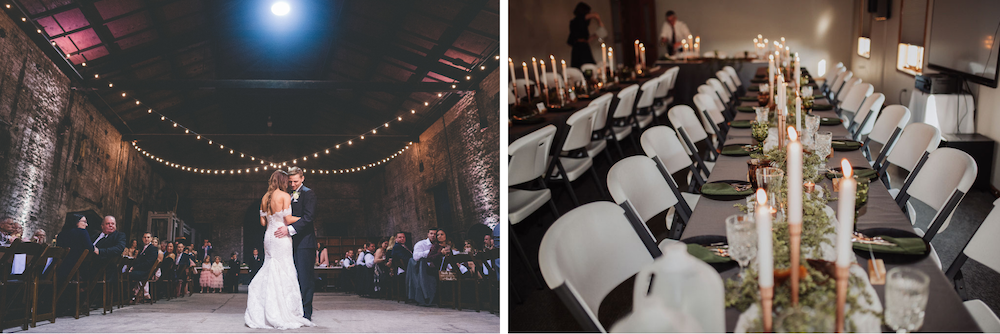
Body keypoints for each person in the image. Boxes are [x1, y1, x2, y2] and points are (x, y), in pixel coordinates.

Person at [244, 169, 315, 329]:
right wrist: (305, 219)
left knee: (270, 268)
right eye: (288, 181)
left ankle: (265, 308)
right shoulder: (284, 196)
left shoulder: (265, 197)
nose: (290, 184)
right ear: (283, 181)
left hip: (269, 236)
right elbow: (288, 219)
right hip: (281, 236)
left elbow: (262, 222)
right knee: (284, 270)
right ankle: (283, 308)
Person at [271, 166, 317, 320]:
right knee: (292, 276)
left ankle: (306, 313)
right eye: (290, 182)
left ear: (302, 178)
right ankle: (292, 310)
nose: (292, 185)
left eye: (295, 181)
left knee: (305, 278)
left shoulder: (308, 194)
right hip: (288, 243)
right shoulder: (287, 194)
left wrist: (289, 229)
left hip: (305, 242)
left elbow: (309, 218)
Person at [56, 213, 93, 279]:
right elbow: (90, 248)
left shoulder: (60, 234)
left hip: (59, 269)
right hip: (75, 271)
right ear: (76, 222)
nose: (86, 225)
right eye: (84, 222)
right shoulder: (82, 232)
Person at [567, 2, 603, 69]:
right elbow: (595, 15)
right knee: (586, 66)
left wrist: (594, 36)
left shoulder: (577, 23)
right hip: (580, 48)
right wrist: (599, 21)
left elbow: (583, 38)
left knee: (585, 66)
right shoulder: (578, 20)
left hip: (581, 47)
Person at [407, 228, 437, 305]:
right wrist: (431, 252)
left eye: (435, 234)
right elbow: (416, 257)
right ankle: (426, 296)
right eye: (431, 233)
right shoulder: (421, 244)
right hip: (421, 269)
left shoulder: (439, 244)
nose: (433, 235)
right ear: (428, 234)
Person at [91, 216, 127, 281]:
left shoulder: (119, 235)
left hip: (103, 267)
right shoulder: (95, 234)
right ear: (102, 226)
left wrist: (99, 251)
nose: (111, 225)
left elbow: (119, 249)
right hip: (88, 262)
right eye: (108, 223)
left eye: (113, 224)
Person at [129, 232, 158, 303]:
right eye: (144, 237)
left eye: (148, 237)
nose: (146, 239)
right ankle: (136, 294)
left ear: (151, 239)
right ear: (142, 239)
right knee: (125, 272)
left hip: (146, 271)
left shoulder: (153, 249)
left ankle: (133, 295)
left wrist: (134, 267)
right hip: (141, 269)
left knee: (129, 275)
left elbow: (148, 263)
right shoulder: (142, 248)